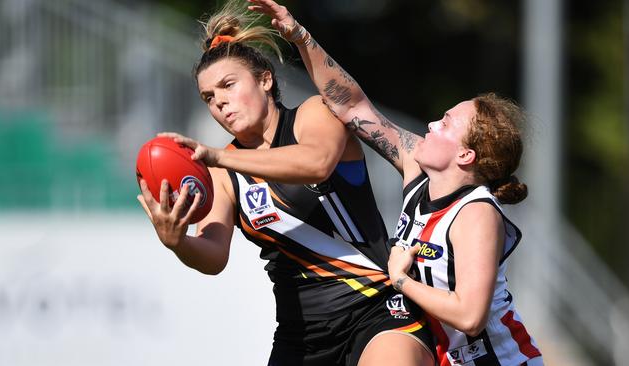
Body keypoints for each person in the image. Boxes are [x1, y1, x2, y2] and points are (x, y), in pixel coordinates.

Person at [137, 1, 436, 365]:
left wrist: (218, 156)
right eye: (209, 98)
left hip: (378, 311)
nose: (220, 103)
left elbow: (317, 163)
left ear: (265, 79)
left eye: (228, 85)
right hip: (301, 334)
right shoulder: (223, 175)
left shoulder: (311, 115)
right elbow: (213, 256)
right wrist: (177, 241)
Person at [248, 0, 544, 365]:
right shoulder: (419, 172)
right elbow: (353, 107)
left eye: (447, 124)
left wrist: (400, 280)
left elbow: (470, 316)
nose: (433, 125)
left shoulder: (476, 213)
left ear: (466, 156)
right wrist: (299, 35)